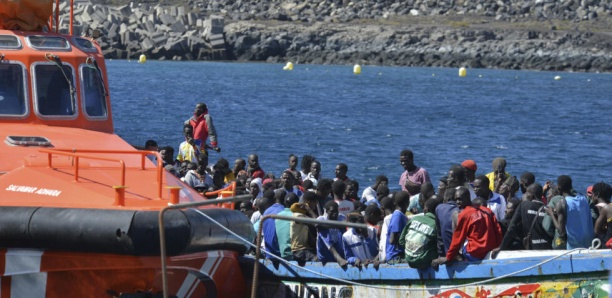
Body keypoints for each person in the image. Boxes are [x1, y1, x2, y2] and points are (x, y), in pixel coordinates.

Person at [432, 187, 502, 265]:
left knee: (455, 215)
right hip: (490, 249)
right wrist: (498, 247)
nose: (457, 202)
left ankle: (457, 256)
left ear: (467, 198)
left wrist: (449, 257)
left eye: (460, 199)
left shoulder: (464, 214)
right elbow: (498, 230)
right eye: (456, 199)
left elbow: (457, 238)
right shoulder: (487, 211)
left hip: (474, 253)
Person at [492, 184, 551, 259]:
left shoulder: (523, 205)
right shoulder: (548, 209)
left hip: (532, 247)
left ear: (531, 195)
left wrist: (501, 247)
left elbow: (511, 228)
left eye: (527, 193)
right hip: (547, 247)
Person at [545, 175, 594, 249]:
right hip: (589, 244)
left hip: (574, 247)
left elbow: (561, 232)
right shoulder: (583, 198)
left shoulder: (562, 204)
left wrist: (551, 213)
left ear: (559, 188)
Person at [399, 198, 440, 268]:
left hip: (408, 258)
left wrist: (412, 250)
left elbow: (401, 241)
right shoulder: (436, 225)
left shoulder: (414, 219)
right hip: (423, 261)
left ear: (426, 209)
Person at [291, 192, 319, 265]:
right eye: (315, 203)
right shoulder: (298, 215)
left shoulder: (302, 215)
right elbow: (317, 222)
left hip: (306, 249)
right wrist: (309, 209)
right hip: (300, 251)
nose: (316, 205)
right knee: (318, 260)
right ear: (308, 202)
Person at [316, 201, 347, 265]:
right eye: (332, 211)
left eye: (336, 211)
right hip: (325, 252)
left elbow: (346, 224)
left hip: (339, 247)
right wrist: (338, 225)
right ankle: (337, 257)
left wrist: (332, 225)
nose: (335, 213)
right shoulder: (321, 219)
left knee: (344, 232)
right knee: (323, 232)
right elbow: (317, 226)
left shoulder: (341, 217)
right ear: (326, 211)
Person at [385, 191, 410, 263]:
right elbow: (392, 240)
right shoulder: (397, 216)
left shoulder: (401, 215)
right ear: (407, 203)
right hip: (395, 256)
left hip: (399, 254)